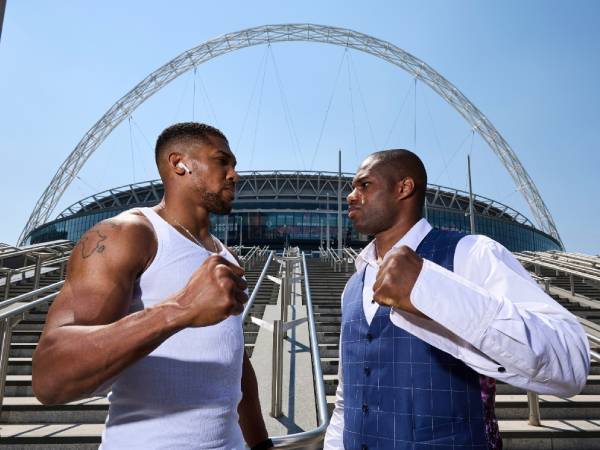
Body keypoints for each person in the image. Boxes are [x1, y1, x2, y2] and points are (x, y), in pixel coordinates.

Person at [324, 149, 590, 450]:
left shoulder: (470, 254)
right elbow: (348, 401)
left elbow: (571, 362)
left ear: (403, 188)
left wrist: (431, 289)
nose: (350, 195)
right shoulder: (352, 286)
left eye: (364, 185)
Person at [32, 122, 273, 450]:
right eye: (222, 161)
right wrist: (179, 309)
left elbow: (234, 362)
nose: (234, 174)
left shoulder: (224, 254)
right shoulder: (126, 235)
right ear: (179, 163)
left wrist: (260, 444)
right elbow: (50, 378)